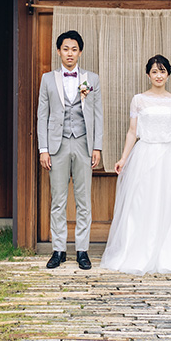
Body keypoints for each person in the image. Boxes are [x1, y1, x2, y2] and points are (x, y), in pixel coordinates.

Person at [100, 54, 171, 275]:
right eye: (154, 71)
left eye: (162, 71)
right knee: (143, 203)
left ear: (168, 74)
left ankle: (170, 251)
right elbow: (132, 132)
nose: (158, 75)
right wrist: (123, 159)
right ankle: (139, 250)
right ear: (148, 75)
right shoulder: (139, 100)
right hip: (145, 156)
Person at [37, 30, 103, 270]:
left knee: (84, 200)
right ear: (58, 51)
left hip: (84, 143)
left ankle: (82, 251)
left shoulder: (91, 79)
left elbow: (97, 115)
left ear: (80, 52)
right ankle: (59, 250)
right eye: (66, 49)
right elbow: (41, 115)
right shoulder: (47, 79)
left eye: (74, 49)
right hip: (57, 144)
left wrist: (97, 146)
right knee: (58, 200)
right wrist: (43, 149)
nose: (70, 53)